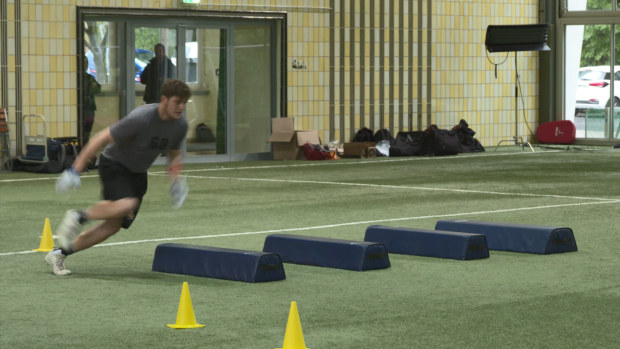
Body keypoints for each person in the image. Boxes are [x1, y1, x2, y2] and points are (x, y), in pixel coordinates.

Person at [45, 79, 191, 276]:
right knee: (127, 203)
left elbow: (174, 153)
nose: (181, 107)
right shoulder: (142, 118)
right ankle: (78, 216)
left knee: (113, 226)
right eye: (177, 102)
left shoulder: (179, 125)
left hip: (138, 173)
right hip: (114, 164)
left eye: (184, 103)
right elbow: (99, 139)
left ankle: (59, 253)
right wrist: (74, 170)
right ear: (164, 99)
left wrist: (176, 181)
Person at [82, 55, 101, 145]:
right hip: (82, 109)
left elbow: (97, 89)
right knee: (82, 133)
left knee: (87, 132)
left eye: (87, 63)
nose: (85, 65)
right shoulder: (77, 77)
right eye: (84, 63)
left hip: (89, 109)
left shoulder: (89, 77)